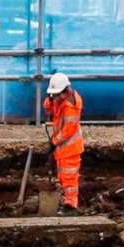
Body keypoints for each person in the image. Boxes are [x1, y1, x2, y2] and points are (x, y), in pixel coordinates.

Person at [43, 73, 85, 210]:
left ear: (66, 91)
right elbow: (49, 108)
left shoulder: (71, 106)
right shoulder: (60, 99)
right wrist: (49, 99)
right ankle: (67, 200)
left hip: (70, 147)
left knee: (69, 177)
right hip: (63, 148)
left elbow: (68, 130)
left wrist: (54, 141)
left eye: (57, 95)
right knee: (62, 176)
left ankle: (71, 205)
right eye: (53, 95)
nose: (55, 98)